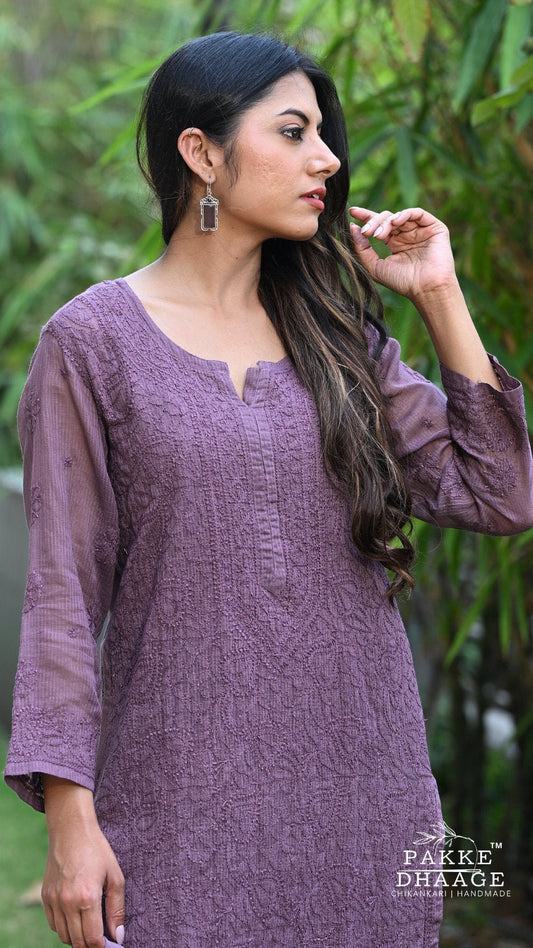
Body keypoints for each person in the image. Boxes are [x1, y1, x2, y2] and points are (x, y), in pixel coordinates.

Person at [4, 30, 533, 948]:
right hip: (177, 805)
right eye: (293, 132)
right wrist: (70, 820)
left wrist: (438, 295)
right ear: (200, 153)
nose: (325, 158)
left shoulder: (341, 341)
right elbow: (61, 598)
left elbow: (499, 495)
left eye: (322, 134)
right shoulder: (91, 346)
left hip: (365, 800)